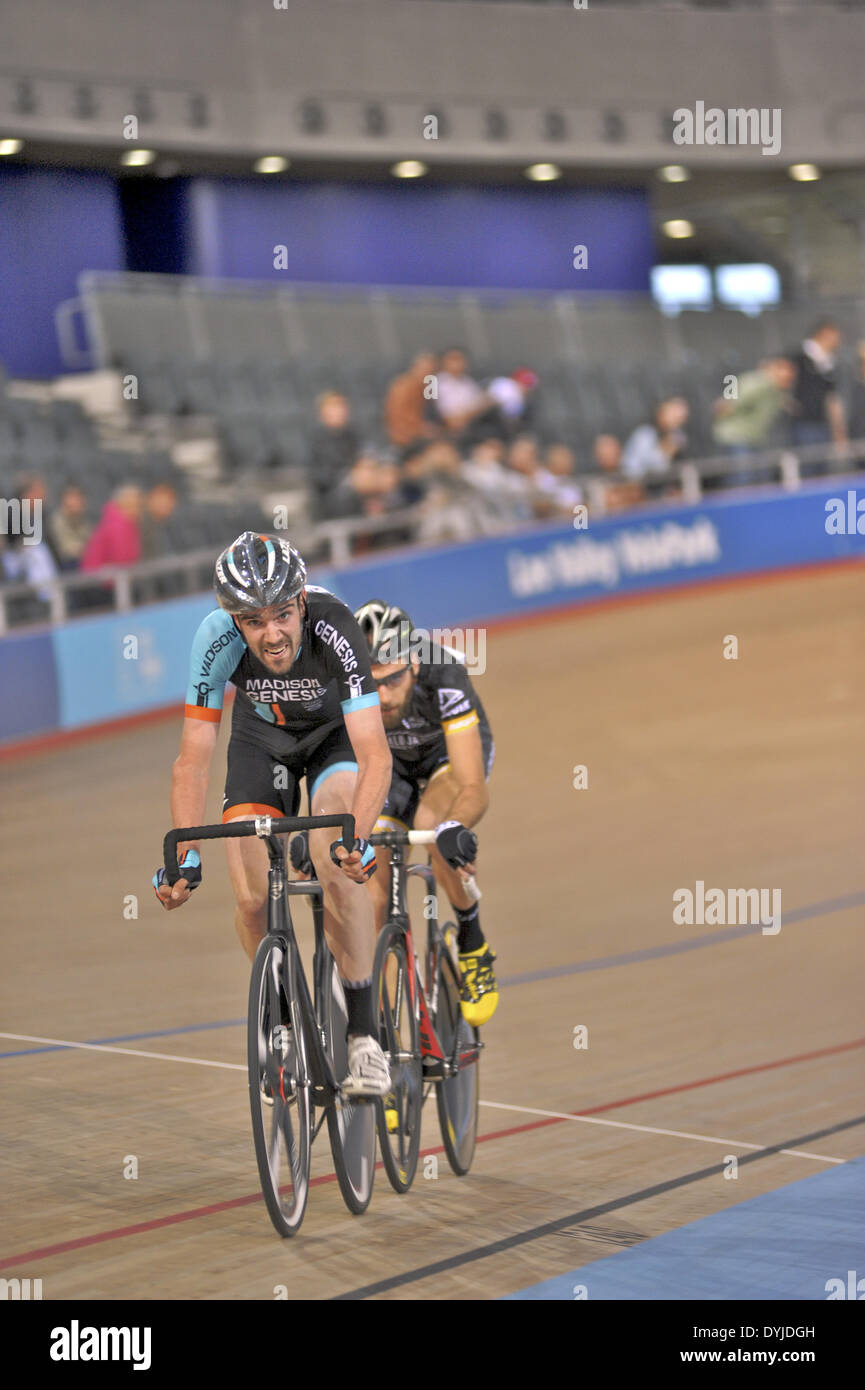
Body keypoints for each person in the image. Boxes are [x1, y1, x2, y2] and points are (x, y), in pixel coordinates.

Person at [152, 532, 394, 1098]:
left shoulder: (336, 626)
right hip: (261, 741)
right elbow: (192, 762)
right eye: (253, 621)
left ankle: (364, 1035)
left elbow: (374, 752)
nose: (272, 634)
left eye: (282, 615)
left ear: (301, 604)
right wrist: (186, 858)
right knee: (252, 897)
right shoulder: (214, 641)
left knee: (334, 856)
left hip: (333, 739)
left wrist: (355, 839)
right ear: (232, 619)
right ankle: (280, 1023)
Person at [353, 599, 498, 1031]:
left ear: (415, 662)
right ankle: (391, 1039)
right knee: (373, 887)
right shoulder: (348, 681)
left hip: (444, 759)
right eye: (372, 682)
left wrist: (456, 828)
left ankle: (472, 939)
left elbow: (473, 786)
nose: (383, 695)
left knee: (431, 827)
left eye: (394, 679)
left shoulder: (445, 673)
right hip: (388, 765)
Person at [789, 320, 846, 452]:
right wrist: (792, 406)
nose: (837, 341)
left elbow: (832, 398)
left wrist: (838, 429)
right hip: (803, 424)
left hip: (821, 423)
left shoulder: (829, 364)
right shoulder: (799, 358)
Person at [621, 398, 689, 493]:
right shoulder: (644, 435)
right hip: (641, 488)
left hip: (668, 487)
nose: (674, 418)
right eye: (670, 413)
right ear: (660, 414)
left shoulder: (678, 436)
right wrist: (669, 448)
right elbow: (655, 469)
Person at [384, 351, 442, 457]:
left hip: (426, 434)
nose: (427, 372)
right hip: (407, 439)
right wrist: (422, 429)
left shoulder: (428, 386)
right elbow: (399, 419)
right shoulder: (402, 386)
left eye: (431, 370)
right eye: (425, 368)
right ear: (415, 367)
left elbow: (433, 414)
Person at [80, 484, 143, 570]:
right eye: (133, 505)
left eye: (138, 505)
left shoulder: (128, 525)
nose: (137, 510)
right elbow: (121, 560)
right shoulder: (117, 527)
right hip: (99, 580)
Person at [47, 483, 93, 571]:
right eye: (72, 497)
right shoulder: (56, 521)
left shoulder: (84, 522)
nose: (77, 501)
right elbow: (68, 551)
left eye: (79, 497)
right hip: (66, 569)